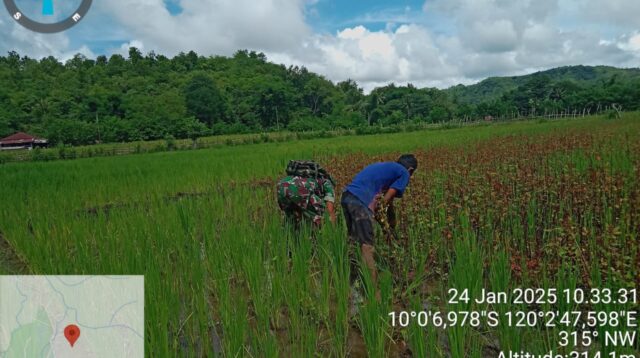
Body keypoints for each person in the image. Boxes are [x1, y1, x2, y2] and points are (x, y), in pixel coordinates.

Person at [341, 154, 418, 296]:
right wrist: (386, 226)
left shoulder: (384, 167)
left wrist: (388, 227)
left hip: (347, 197)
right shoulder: (403, 173)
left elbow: (388, 204)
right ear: (411, 170)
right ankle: (373, 291)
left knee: (354, 239)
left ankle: (349, 277)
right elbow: (385, 201)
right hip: (360, 200)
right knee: (367, 245)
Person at [277, 160, 337, 229]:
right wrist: (333, 227)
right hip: (300, 187)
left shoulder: (312, 177)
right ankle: (318, 234)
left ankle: (289, 234)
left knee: (291, 214)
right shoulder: (328, 184)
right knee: (321, 214)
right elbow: (330, 209)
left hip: (282, 185)